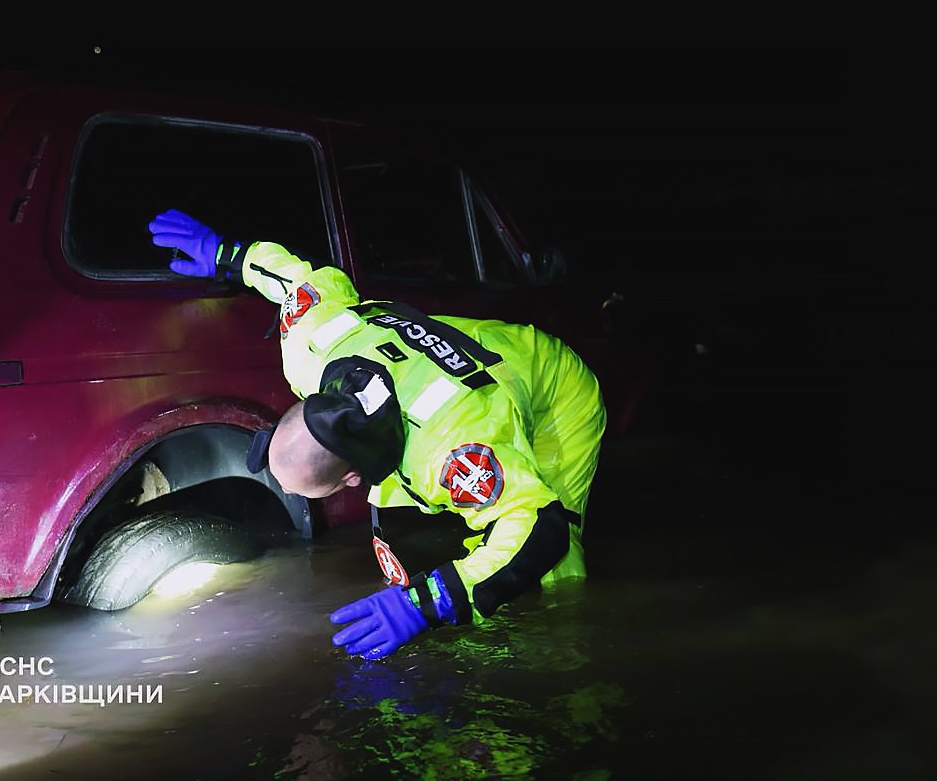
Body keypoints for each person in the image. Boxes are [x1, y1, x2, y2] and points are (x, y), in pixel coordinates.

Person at [148, 209, 606, 660]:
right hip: (468, 354)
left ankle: (561, 652)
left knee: (552, 560)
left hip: (549, 386)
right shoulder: (312, 347)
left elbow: (539, 529)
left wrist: (429, 603)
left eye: (318, 492)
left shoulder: (448, 451)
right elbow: (294, 279)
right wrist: (226, 254)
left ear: (350, 480)